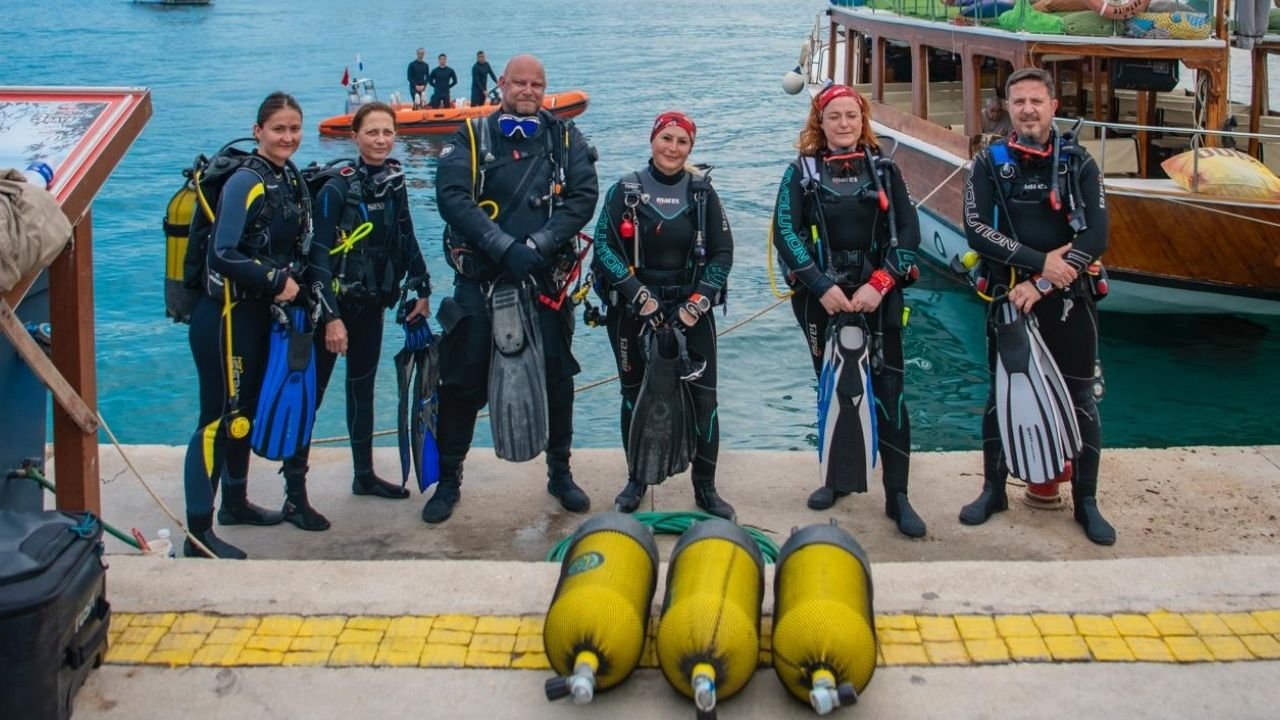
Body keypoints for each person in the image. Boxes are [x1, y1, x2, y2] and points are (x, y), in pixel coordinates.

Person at [426, 54, 598, 524]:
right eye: (519, 82)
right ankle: (448, 480)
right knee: (461, 382)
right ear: (501, 84)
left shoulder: (565, 138)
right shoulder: (471, 136)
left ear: (545, 88)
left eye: (536, 84)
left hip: (544, 279)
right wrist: (502, 246)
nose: (527, 90)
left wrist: (539, 243)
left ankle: (559, 473)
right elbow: (452, 196)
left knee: (559, 380)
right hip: (481, 282)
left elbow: (584, 196)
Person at [958, 67, 1114, 545]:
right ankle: (994, 490)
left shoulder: (1079, 163)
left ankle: (1086, 501)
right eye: (1019, 101)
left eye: (1036, 101)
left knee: (1082, 397)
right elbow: (975, 229)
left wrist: (1045, 282)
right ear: (1008, 108)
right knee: (999, 395)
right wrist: (1036, 265)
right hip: (1008, 296)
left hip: (1067, 297)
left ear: (1053, 107)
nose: (1027, 109)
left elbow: (1097, 235)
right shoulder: (988, 163)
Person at [771, 83, 926, 538]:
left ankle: (897, 495)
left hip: (879, 295)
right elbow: (786, 232)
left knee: (889, 389)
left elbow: (910, 236)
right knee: (835, 386)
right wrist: (820, 286)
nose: (844, 123)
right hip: (824, 299)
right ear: (819, 122)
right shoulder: (800, 172)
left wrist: (881, 284)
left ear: (863, 121)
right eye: (834, 116)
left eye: (851, 116)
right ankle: (836, 480)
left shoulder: (884, 170)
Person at [277, 101, 433, 531]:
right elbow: (318, 257)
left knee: (362, 389)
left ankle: (363, 475)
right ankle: (295, 495)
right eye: (372, 133)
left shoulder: (394, 180)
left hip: (370, 304)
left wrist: (422, 288)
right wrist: (330, 318)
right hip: (332, 308)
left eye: (387, 133)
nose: (381, 140)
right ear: (355, 136)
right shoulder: (336, 187)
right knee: (312, 397)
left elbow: (406, 235)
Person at [181, 92, 318, 559]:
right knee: (216, 420)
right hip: (224, 316)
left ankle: (234, 505)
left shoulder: (289, 177)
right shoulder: (245, 180)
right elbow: (223, 250)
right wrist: (276, 279)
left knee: (244, 412)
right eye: (279, 129)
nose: (288, 137)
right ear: (258, 131)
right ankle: (197, 534)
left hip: (258, 315)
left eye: (295, 128)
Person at [592, 111, 736, 521]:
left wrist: (696, 304)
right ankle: (637, 478)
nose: (672, 148)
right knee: (633, 392)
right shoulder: (625, 189)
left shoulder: (702, 192)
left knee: (704, 400)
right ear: (652, 139)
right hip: (634, 311)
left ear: (691, 147)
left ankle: (705, 487)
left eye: (682, 142)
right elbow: (604, 247)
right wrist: (640, 297)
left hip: (691, 310)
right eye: (666, 138)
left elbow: (723, 254)